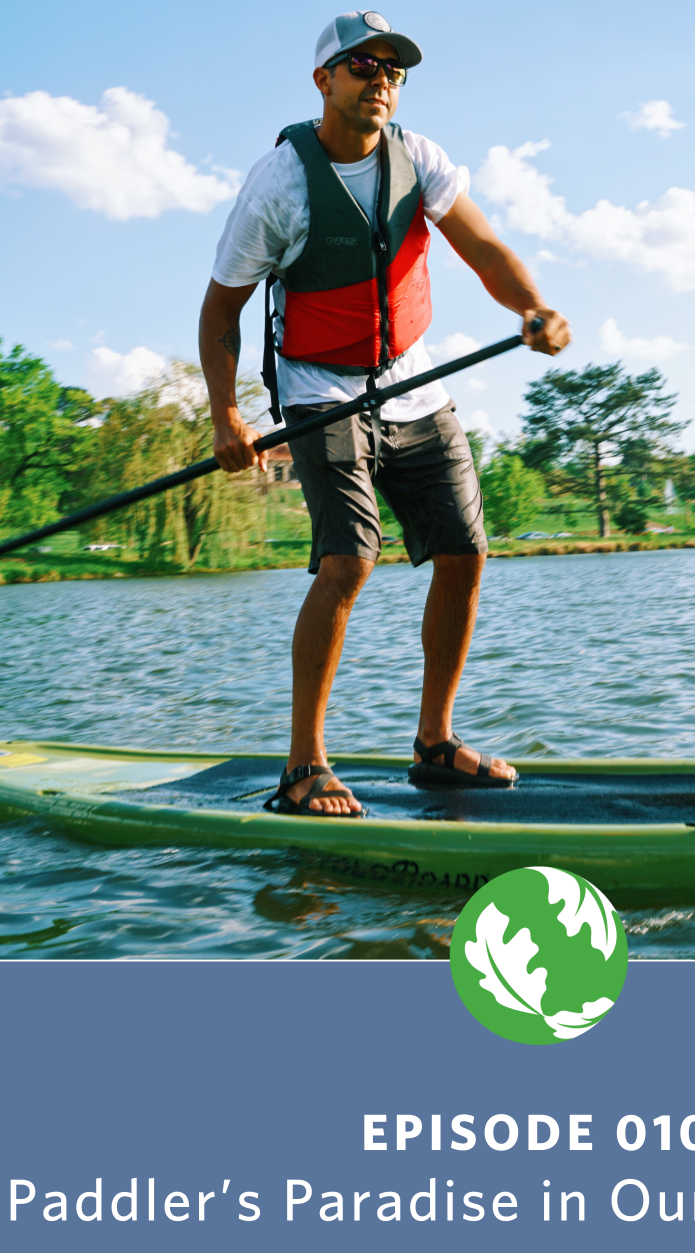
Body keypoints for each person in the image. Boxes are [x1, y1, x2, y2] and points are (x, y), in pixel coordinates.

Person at [199, 10, 569, 816]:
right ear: (324, 80)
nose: (382, 80)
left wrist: (534, 306)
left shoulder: (421, 159)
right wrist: (228, 415)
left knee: (465, 550)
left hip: (414, 383)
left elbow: (483, 250)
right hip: (318, 388)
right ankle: (303, 768)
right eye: (363, 66)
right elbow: (222, 311)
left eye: (394, 70)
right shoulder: (279, 185)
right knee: (348, 562)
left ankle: (435, 745)